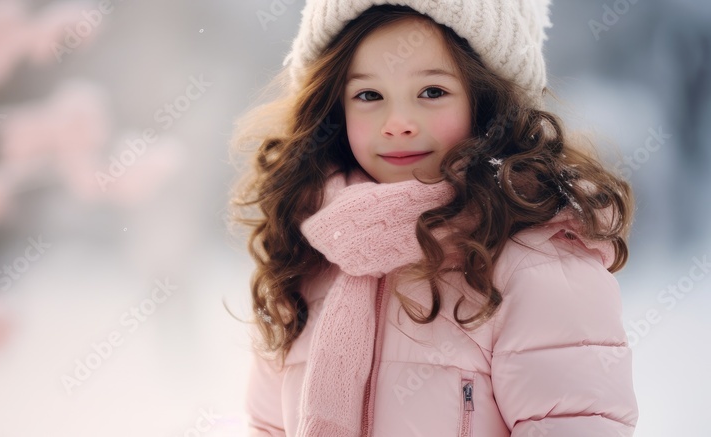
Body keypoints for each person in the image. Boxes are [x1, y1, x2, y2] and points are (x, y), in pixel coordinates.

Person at [228, 1, 640, 436]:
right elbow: (268, 426)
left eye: (432, 92)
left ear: (486, 102)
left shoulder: (537, 259)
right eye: (369, 95)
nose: (399, 123)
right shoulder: (310, 253)